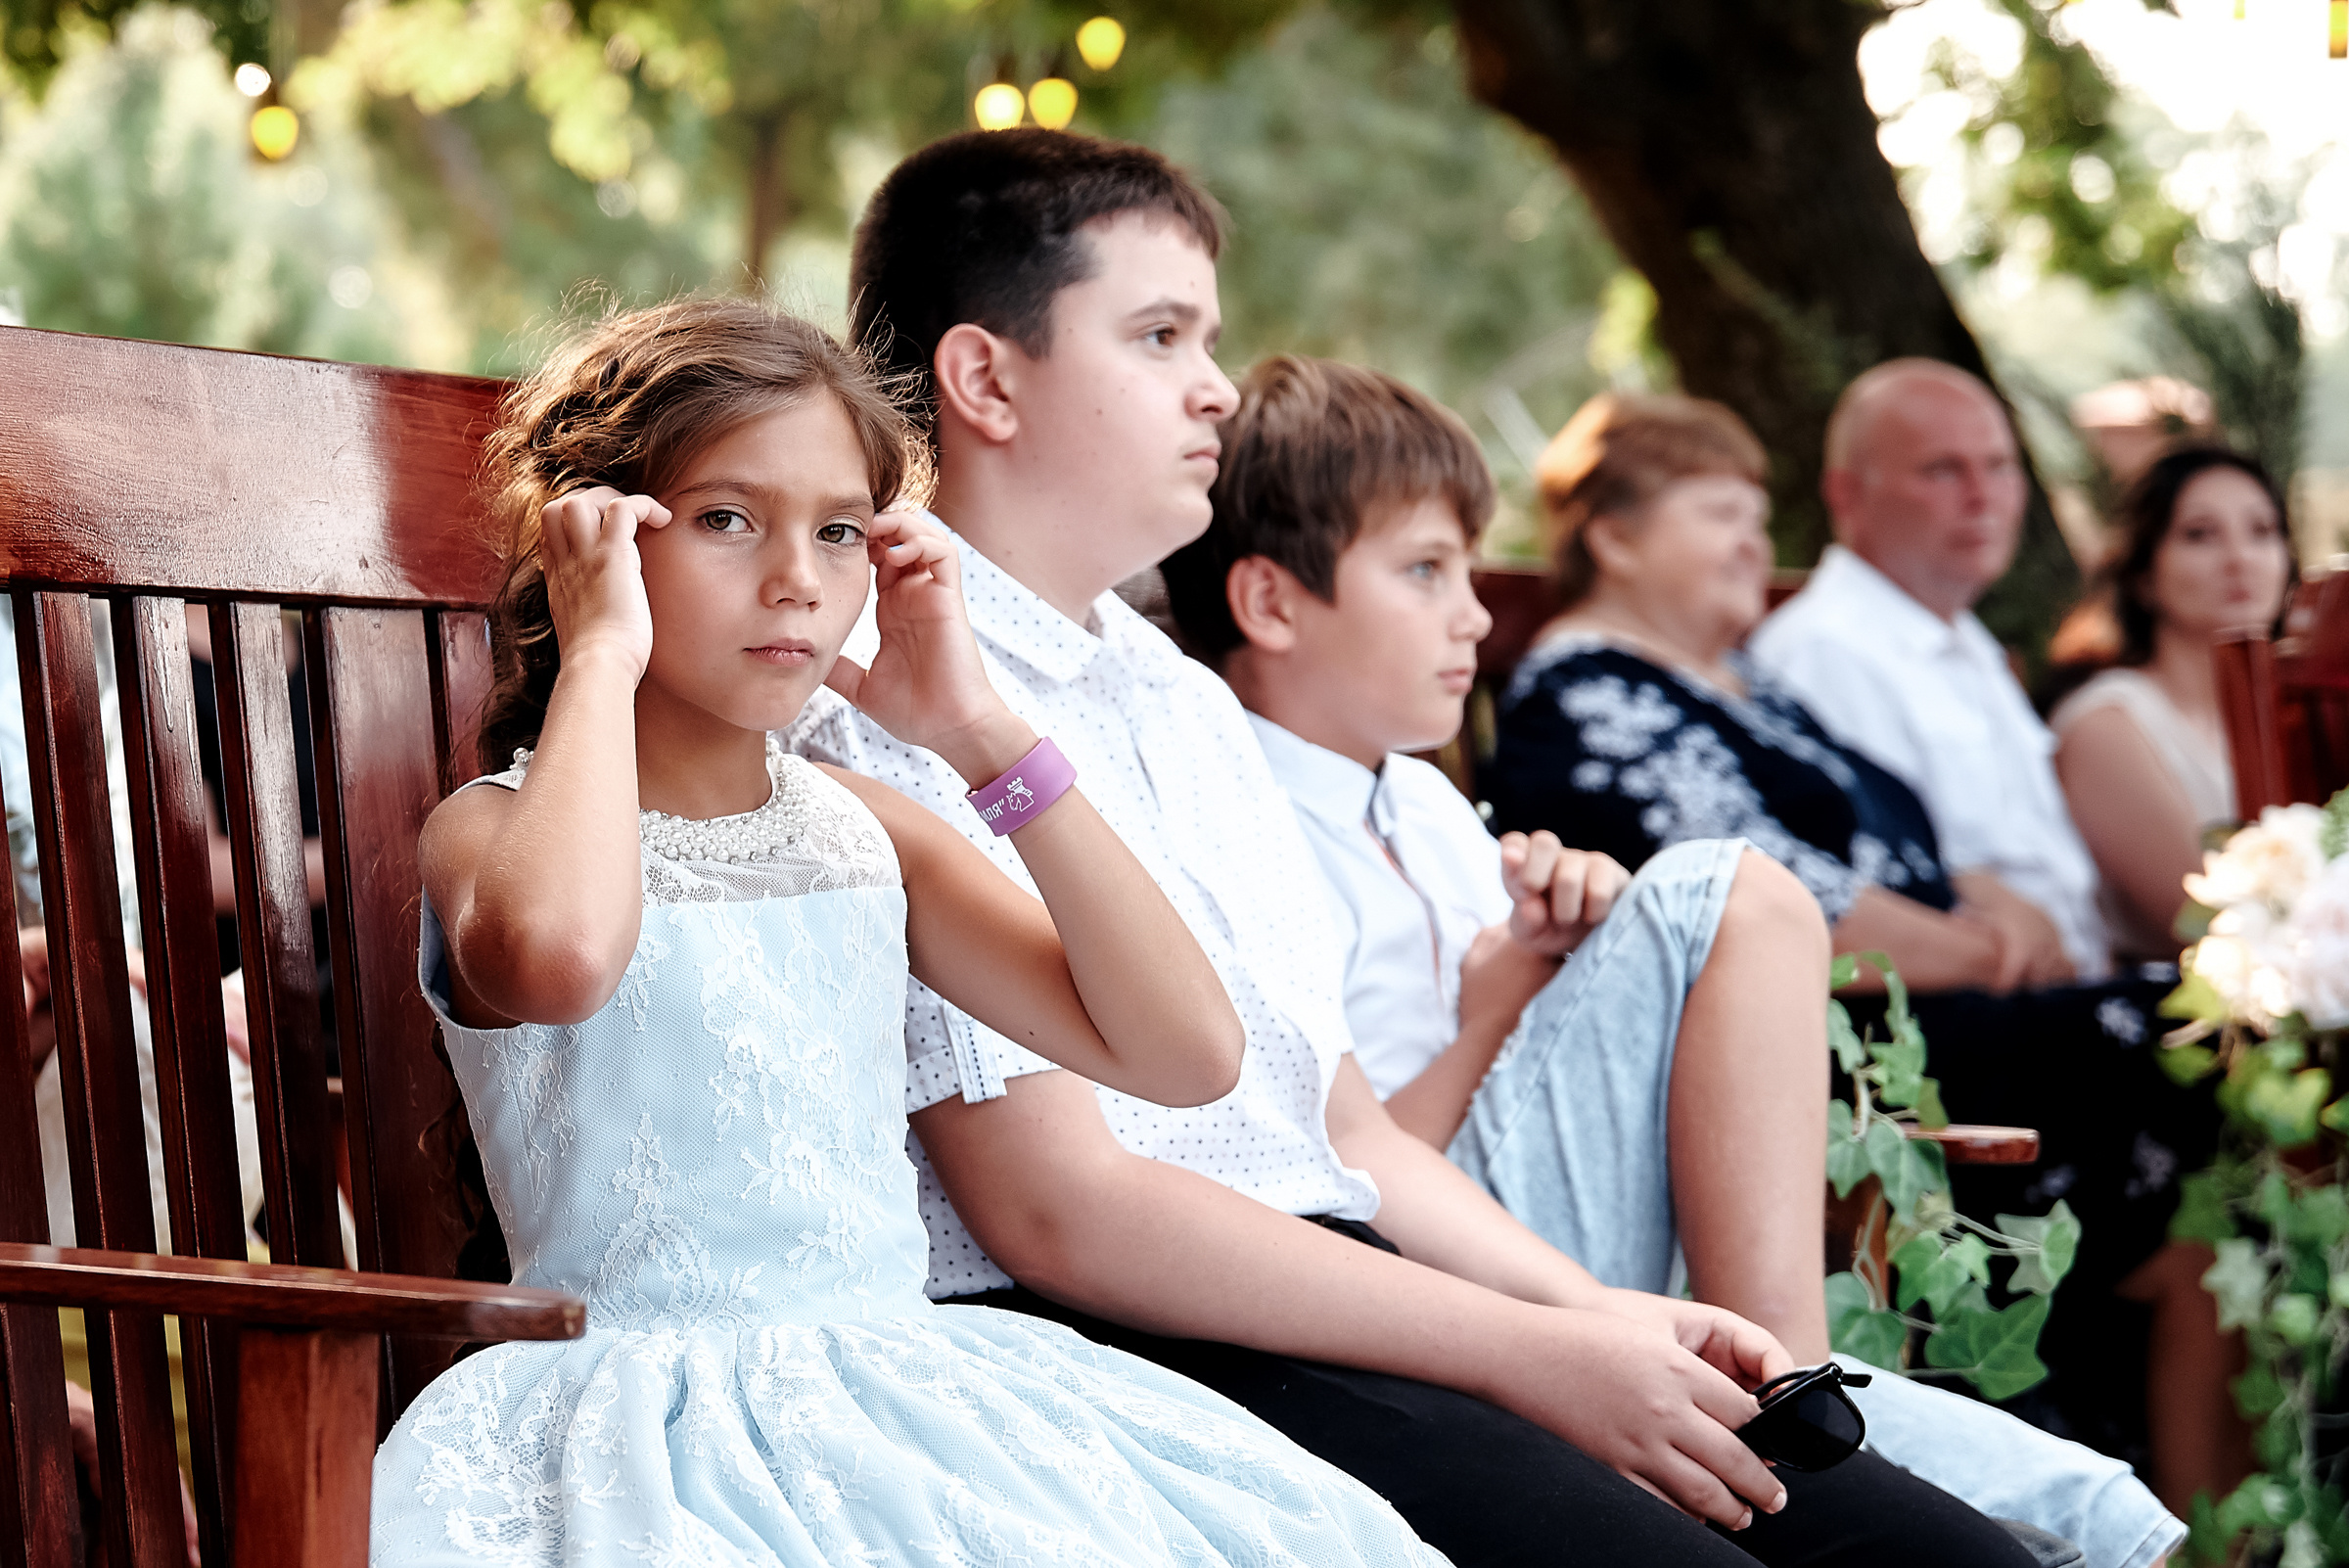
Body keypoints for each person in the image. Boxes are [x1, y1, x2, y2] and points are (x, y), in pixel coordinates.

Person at [791, 124, 2047, 1566]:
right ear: (986, 377)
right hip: (1144, 1338)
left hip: (1348, 1278)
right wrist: (1519, 1352)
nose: (1215, 388)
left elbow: (1346, 1129)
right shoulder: (891, 684)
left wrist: (1589, 1312)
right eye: (1158, 336)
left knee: (1957, 1561)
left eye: (1209, 335)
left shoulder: (1182, 699)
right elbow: (1058, 1210)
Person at [369, 295, 1445, 1568]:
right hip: (638, 1438)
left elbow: (1185, 1053)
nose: (796, 580)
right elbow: (560, 958)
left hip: (904, 1389)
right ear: (594, 540)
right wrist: (598, 652)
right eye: (725, 519)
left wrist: (980, 732)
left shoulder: (865, 828)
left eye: (838, 532)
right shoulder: (486, 833)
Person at [1162, 353, 2185, 1567]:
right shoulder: (1238, 817)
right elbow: (1332, 1178)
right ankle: (1796, 1396)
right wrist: (1507, 1002)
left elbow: (1531, 1013)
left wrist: (1567, 937)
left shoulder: (1428, 812)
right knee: (1725, 889)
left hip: (1574, 1228)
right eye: (1426, 572)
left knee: (2113, 1516)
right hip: (1436, 1269)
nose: (1476, 616)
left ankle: (1793, 1389)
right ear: (1273, 606)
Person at [1479, 388, 2240, 1513]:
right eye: (1719, 514)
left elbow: (1898, 833)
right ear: (1614, 533)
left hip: (1915, 1008)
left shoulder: (1748, 685)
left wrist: (1986, 905)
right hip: (1816, 1047)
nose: (1756, 542)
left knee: (2205, 1090)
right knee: (2192, 1019)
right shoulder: (1586, 694)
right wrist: (1981, 946)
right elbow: (1785, 897)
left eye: (1757, 513)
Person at [1747, 357, 2109, 987]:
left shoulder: (1965, 639)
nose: (1982, 496)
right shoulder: (1822, 651)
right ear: (1846, 494)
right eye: (1943, 469)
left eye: (1999, 466)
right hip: (1979, 1017)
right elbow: (1881, 880)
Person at [2048, 447, 2296, 959]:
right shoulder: (2106, 726)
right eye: (2200, 535)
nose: (2239, 558)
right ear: (2142, 575)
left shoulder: (2295, 713)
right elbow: (2207, 927)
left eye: (2262, 531)